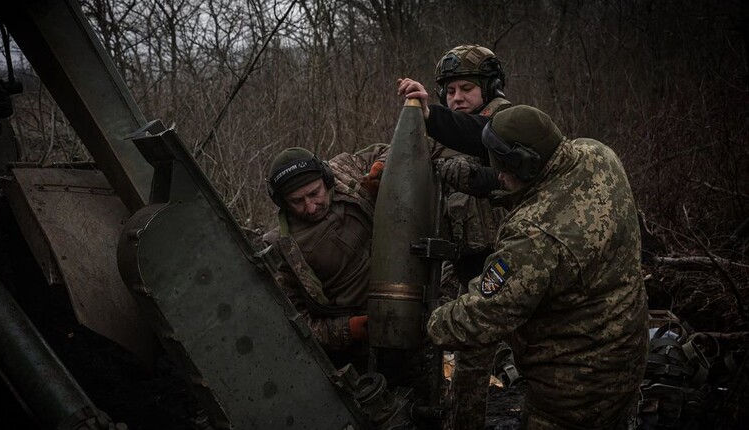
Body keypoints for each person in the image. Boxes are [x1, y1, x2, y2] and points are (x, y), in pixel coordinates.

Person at [421, 104, 649, 429]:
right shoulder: (596, 153)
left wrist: (429, 323)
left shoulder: (533, 237)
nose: (498, 174)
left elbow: (485, 314)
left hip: (574, 388)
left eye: (503, 168)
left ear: (525, 163)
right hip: (627, 353)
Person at [416, 44, 514, 430]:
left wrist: (431, 115)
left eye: (467, 90)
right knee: (444, 343)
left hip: (509, 262)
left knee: (492, 352)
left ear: (489, 89)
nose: (457, 99)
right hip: (460, 262)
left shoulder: (508, 120)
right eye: (450, 91)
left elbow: (481, 135)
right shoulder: (442, 130)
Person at [260, 145, 386, 371]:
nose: (310, 207)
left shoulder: (345, 171)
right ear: (282, 202)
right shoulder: (283, 250)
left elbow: (394, 147)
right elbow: (297, 324)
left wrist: (382, 169)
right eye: (296, 201)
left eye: (314, 193)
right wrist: (348, 329)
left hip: (407, 289)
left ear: (326, 179)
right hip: (363, 340)